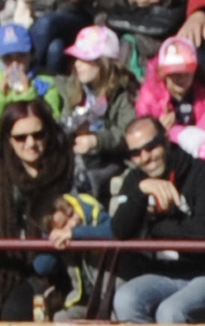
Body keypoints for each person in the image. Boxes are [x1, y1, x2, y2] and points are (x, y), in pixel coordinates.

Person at [112, 113, 205, 322]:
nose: (145, 157)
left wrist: (154, 225)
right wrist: (140, 192)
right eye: (135, 153)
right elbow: (120, 231)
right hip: (167, 276)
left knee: (171, 312)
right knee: (125, 300)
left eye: (151, 147)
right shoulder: (137, 181)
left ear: (166, 140)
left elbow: (203, 235)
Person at [0, 96, 78, 319]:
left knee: (16, 312)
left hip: (48, 268)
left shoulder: (67, 166)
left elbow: (85, 208)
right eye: (20, 137)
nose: (31, 143)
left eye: (38, 134)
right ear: (8, 139)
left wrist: (71, 224)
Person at [62, 25, 142, 205]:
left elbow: (127, 133)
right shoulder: (75, 89)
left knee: (88, 178)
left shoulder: (124, 92)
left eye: (85, 59)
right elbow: (65, 119)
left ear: (103, 62)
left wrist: (97, 141)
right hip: (77, 156)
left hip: (112, 158)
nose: (77, 64)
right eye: (77, 58)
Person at [0, 21, 63, 164]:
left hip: (34, 152)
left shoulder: (45, 81)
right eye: (8, 58)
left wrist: (29, 94)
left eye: (20, 56)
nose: (15, 63)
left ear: (31, 54)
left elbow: (53, 120)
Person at [135, 34, 205, 151]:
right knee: (173, 131)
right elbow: (141, 131)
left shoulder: (201, 91)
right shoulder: (150, 97)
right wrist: (158, 127)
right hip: (171, 148)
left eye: (186, 73)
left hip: (199, 140)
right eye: (174, 74)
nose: (180, 79)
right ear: (163, 74)